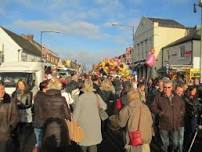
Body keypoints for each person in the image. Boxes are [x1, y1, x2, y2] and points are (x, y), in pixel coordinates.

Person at [73, 79, 107, 152]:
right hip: (94, 122)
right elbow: (104, 106)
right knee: (93, 143)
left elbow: (76, 113)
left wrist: (74, 123)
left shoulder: (81, 97)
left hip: (83, 123)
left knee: (83, 144)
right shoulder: (96, 96)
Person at [152, 80, 185, 152]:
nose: (167, 89)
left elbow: (182, 106)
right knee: (165, 144)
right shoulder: (158, 97)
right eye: (165, 87)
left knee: (175, 143)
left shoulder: (176, 96)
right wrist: (160, 113)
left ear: (172, 87)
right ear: (163, 87)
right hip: (164, 124)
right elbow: (153, 108)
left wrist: (181, 113)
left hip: (174, 124)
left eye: (169, 87)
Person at [40, 78, 71, 152]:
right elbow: (68, 115)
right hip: (61, 129)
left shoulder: (43, 99)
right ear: (59, 87)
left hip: (48, 129)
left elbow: (41, 115)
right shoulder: (62, 99)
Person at [12, 79, 33, 152]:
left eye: (22, 85)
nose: (20, 86)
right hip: (17, 116)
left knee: (24, 134)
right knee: (16, 134)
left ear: (25, 85)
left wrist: (20, 105)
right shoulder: (14, 93)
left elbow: (29, 104)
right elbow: (12, 103)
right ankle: (17, 147)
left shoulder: (29, 93)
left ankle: (22, 148)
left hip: (26, 116)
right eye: (19, 85)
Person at [0, 81, 19, 152]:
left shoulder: (10, 101)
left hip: (4, 136)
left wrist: (9, 128)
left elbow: (15, 117)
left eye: (3, 89)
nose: (2, 91)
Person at [33, 80, 49, 152]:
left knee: (39, 143)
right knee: (42, 144)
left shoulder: (37, 95)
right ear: (45, 88)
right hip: (43, 123)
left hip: (37, 122)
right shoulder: (45, 97)